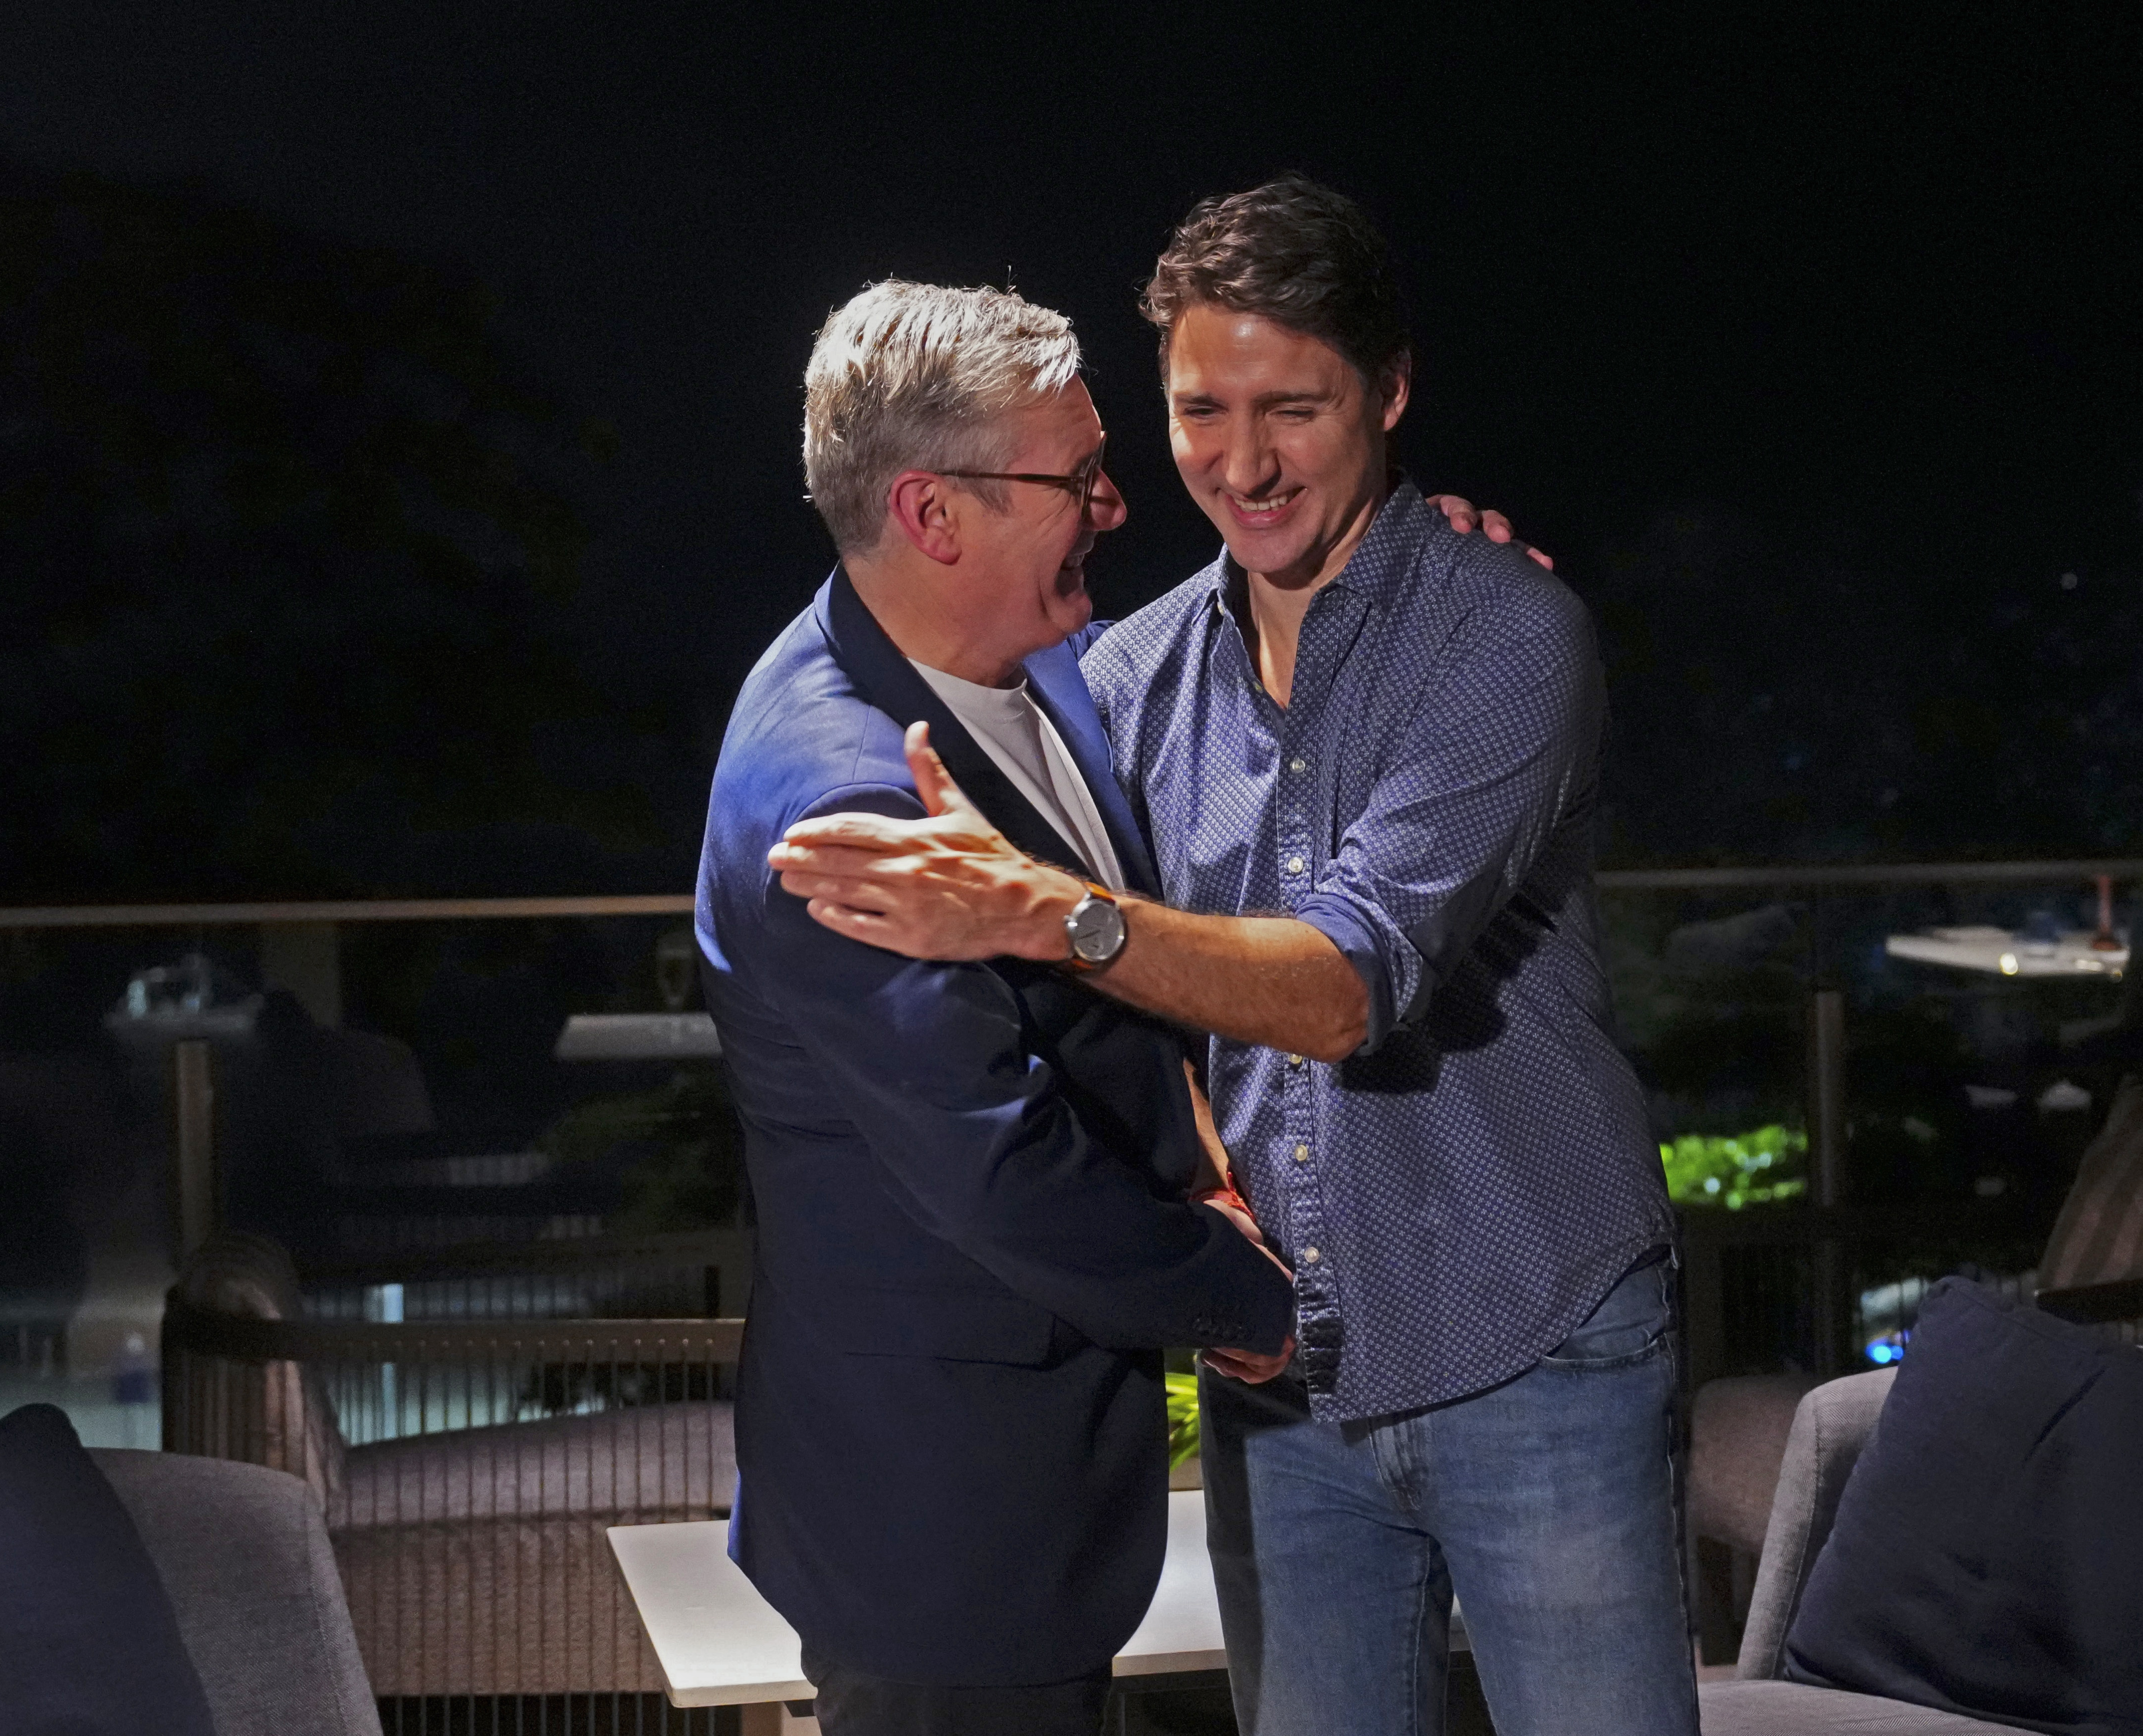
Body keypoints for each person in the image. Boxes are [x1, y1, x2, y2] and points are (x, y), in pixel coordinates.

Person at [769, 177, 1698, 1736]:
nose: (1245, 464)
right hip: (1288, 1378)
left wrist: (1044, 910)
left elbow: (1345, 985)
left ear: (1391, 394)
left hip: (1537, 1340)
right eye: (1203, 410)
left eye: (1297, 409)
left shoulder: (1506, 636)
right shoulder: (1117, 678)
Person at [694, 279, 1296, 1736]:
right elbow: (1001, 1167)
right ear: (932, 514)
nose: (1112, 505)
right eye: (1074, 478)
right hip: (943, 1530)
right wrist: (1255, 1305)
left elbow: (1217, 650)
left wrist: (1433, 565)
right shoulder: (841, 805)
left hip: (1000, 1498)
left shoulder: (1018, 657)